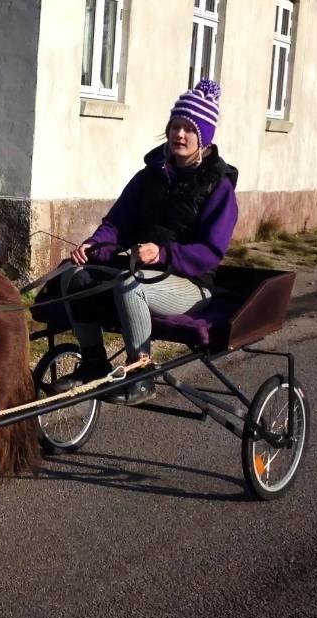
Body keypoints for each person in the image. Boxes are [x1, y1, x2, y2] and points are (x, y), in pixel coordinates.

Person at [51, 79, 239, 404]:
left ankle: (142, 375)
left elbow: (210, 253)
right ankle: (94, 364)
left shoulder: (218, 188)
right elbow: (116, 223)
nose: (179, 135)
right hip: (141, 272)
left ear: (204, 137)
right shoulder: (148, 176)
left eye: (188, 129)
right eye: (175, 126)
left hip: (192, 286)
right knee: (74, 277)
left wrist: (163, 254)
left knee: (128, 285)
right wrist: (94, 245)